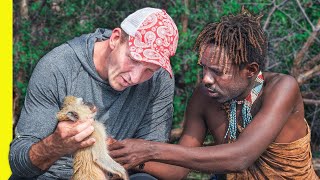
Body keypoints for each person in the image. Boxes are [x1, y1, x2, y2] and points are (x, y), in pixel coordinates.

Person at [108, 7, 319, 179]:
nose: (206, 79)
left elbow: (240, 158)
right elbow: (177, 170)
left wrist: (150, 149)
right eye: (204, 68)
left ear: (251, 71)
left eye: (217, 72)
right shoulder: (204, 97)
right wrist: (123, 155)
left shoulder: (281, 88)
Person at [10, 7, 178, 180]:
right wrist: (55, 145)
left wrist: (121, 154)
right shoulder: (57, 67)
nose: (135, 77)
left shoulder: (159, 78)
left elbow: (152, 156)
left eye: (149, 69)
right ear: (115, 38)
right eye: (133, 59)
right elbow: (19, 164)